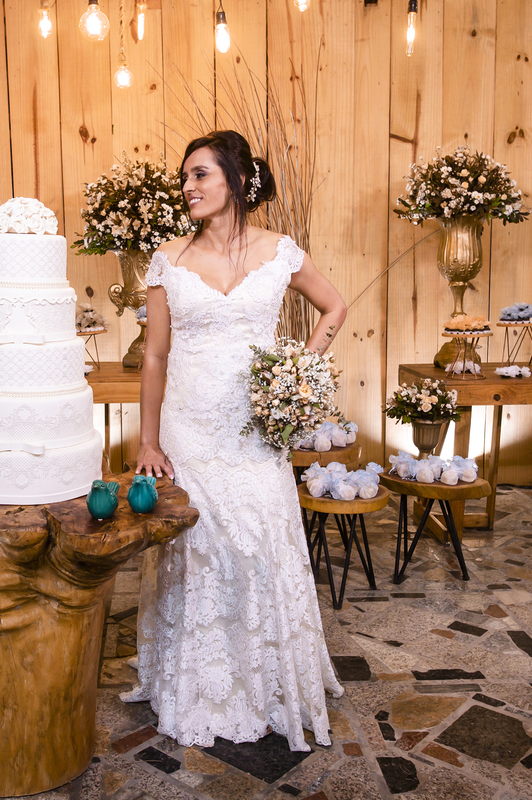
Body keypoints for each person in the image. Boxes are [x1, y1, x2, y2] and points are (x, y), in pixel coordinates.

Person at [122, 130, 349, 752]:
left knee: (258, 547)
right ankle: (198, 684)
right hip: (189, 429)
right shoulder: (168, 259)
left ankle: (267, 680)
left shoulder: (281, 252)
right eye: (186, 178)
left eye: (201, 175)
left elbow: (334, 307)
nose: (188, 187)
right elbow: (155, 357)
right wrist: (148, 442)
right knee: (198, 551)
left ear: (237, 180)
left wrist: (299, 373)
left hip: (254, 429)